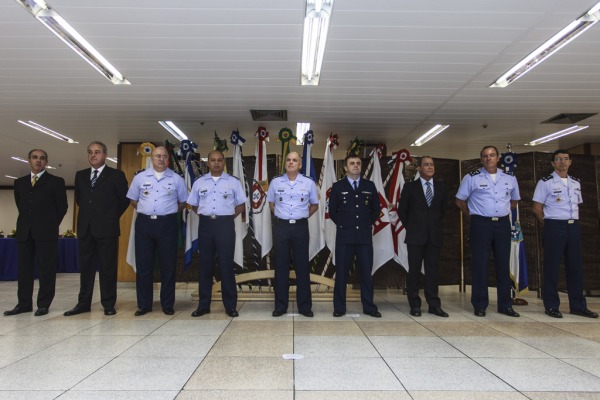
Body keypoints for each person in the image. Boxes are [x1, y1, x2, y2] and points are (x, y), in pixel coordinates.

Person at [64, 142, 129, 317]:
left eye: (97, 152)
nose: (93, 155)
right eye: (90, 152)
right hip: (86, 228)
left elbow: (124, 201)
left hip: (107, 229)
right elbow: (80, 200)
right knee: (86, 268)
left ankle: (108, 303)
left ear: (105, 155)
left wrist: (109, 216)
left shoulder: (116, 175)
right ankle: (83, 303)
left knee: (108, 268)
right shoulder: (80, 175)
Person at [455, 145, 520, 318]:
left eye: (492, 155)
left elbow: (514, 201)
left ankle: (505, 305)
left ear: (498, 158)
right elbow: (460, 201)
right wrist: (475, 215)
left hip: (502, 225)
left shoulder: (510, 178)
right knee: (480, 265)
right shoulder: (471, 177)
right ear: (481, 159)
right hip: (480, 224)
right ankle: (480, 304)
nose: (488, 158)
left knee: (502, 265)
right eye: (485, 156)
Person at [532, 149, 598, 319]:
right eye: (558, 159)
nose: (562, 162)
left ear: (570, 162)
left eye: (565, 159)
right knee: (552, 267)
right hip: (554, 225)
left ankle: (578, 306)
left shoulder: (576, 182)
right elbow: (537, 208)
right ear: (553, 163)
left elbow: (577, 205)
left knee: (575, 267)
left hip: (573, 226)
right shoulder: (545, 182)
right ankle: (552, 305)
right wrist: (549, 225)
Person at [5, 149, 68, 317]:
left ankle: (43, 304)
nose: (38, 161)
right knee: (24, 269)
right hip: (25, 232)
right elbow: (21, 205)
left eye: (42, 158)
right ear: (28, 161)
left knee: (46, 269)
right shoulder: (20, 183)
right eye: (35, 158)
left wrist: (50, 224)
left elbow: (62, 207)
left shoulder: (56, 182)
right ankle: (24, 304)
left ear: (46, 162)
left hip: (46, 233)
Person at [126, 146, 187, 316]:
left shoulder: (177, 179)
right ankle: (144, 305)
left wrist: (165, 211)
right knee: (144, 266)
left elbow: (182, 203)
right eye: (157, 156)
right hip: (144, 225)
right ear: (151, 158)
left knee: (168, 265)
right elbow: (133, 200)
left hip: (167, 225)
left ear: (168, 159)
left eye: (164, 156)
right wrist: (148, 210)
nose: (160, 159)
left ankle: (167, 304)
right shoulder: (140, 178)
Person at [187, 150, 246, 318]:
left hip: (225, 224)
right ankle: (203, 305)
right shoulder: (199, 182)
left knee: (226, 265)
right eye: (212, 160)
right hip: (205, 225)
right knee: (205, 265)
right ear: (208, 163)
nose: (216, 163)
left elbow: (240, 205)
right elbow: (193, 205)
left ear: (224, 162)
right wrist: (208, 217)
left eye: (219, 160)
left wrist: (225, 217)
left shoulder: (233, 182)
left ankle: (230, 306)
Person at [329, 154, 382, 318]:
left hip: (364, 238)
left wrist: (365, 224)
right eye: (352, 163)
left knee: (366, 274)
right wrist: (346, 225)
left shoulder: (370, 186)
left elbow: (375, 211)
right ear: (345, 167)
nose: (355, 166)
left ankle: (369, 307)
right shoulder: (338, 187)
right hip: (345, 238)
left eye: (358, 163)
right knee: (342, 274)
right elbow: (332, 212)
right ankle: (339, 308)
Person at [267, 151, 318, 317]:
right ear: (285, 164)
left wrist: (300, 216)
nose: (291, 162)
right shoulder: (275, 182)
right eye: (288, 160)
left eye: (294, 160)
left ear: (300, 164)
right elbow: (272, 204)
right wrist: (285, 217)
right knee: (281, 267)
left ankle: (305, 307)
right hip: (281, 227)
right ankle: (280, 306)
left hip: (301, 227)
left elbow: (314, 205)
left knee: (302, 267)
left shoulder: (309, 183)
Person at [398, 156, 449, 317]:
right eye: (426, 165)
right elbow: (402, 211)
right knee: (413, 271)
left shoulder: (441, 187)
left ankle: (434, 304)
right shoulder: (410, 187)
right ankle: (414, 304)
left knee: (432, 271)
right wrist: (413, 227)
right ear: (419, 168)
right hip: (415, 236)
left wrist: (431, 225)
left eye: (432, 165)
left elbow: (442, 211)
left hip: (434, 236)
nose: (429, 167)